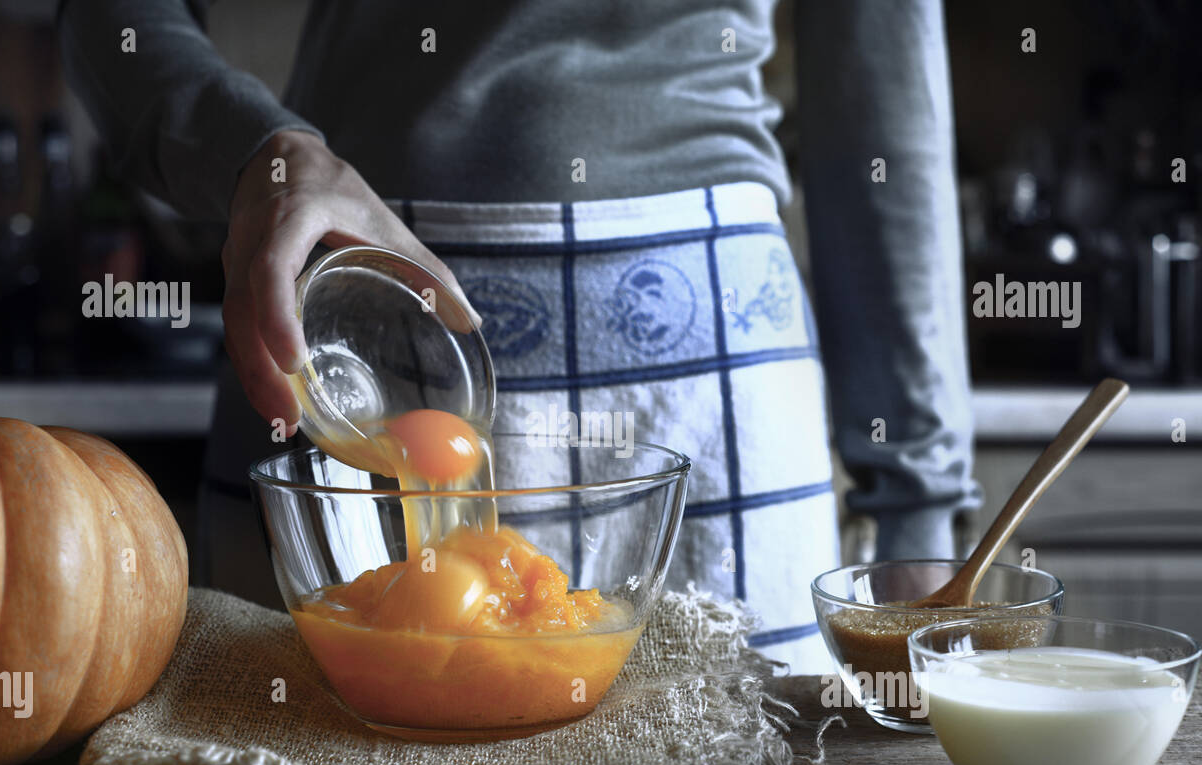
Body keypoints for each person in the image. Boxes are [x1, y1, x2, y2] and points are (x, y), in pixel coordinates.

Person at [59, 0, 981, 674]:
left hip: (700, 374)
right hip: (337, 324)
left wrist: (919, 506)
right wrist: (260, 156)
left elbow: (882, 95)